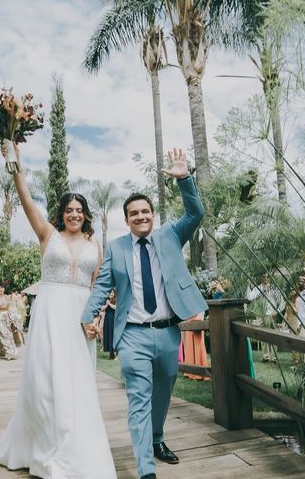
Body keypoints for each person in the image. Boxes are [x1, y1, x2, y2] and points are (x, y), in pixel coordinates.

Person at [0, 142, 115, 478]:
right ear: (62, 213)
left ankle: (77, 445)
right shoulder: (47, 234)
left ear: (85, 214)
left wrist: (97, 320)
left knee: (78, 380)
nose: (74, 214)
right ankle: (42, 443)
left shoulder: (94, 245)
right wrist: (15, 162)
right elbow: (26, 198)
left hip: (80, 316)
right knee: (44, 379)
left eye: (79, 210)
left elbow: (98, 287)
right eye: (69, 210)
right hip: (50, 312)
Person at [82, 148, 207, 479]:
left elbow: (196, 214)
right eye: (134, 213)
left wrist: (184, 180)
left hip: (167, 333)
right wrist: (87, 315)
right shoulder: (116, 248)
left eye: (145, 211)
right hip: (133, 335)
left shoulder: (169, 236)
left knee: (163, 391)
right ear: (126, 219)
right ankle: (145, 469)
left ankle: (156, 438)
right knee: (138, 399)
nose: (140, 217)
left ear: (153, 215)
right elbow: (101, 286)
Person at [0, 285, 18, 360]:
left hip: (6, 317)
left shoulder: (7, 296)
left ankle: (10, 351)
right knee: (0, 334)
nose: (1, 289)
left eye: (2, 288)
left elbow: (9, 306)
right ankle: (3, 352)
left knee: (8, 334)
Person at [100, 291, 117, 360]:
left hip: (113, 319)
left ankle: (117, 353)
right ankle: (111, 353)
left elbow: (116, 308)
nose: (111, 294)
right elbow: (101, 309)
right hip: (107, 319)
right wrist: (106, 305)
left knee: (113, 335)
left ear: (114, 294)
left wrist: (109, 304)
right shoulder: (105, 300)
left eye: (112, 293)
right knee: (108, 335)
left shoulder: (115, 300)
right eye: (110, 293)